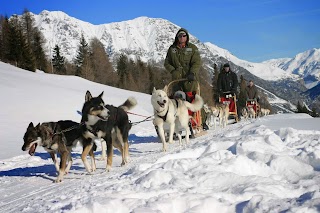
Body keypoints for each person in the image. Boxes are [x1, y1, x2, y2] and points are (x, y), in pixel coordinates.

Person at [164, 28, 208, 131]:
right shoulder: (172, 49)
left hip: (190, 79)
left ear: (187, 37)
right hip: (176, 79)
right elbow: (166, 63)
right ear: (177, 37)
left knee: (192, 98)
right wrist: (173, 71)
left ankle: (201, 120)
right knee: (177, 100)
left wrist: (192, 72)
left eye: (184, 36)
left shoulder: (192, 48)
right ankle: (177, 123)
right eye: (180, 36)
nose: (182, 38)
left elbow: (196, 62)